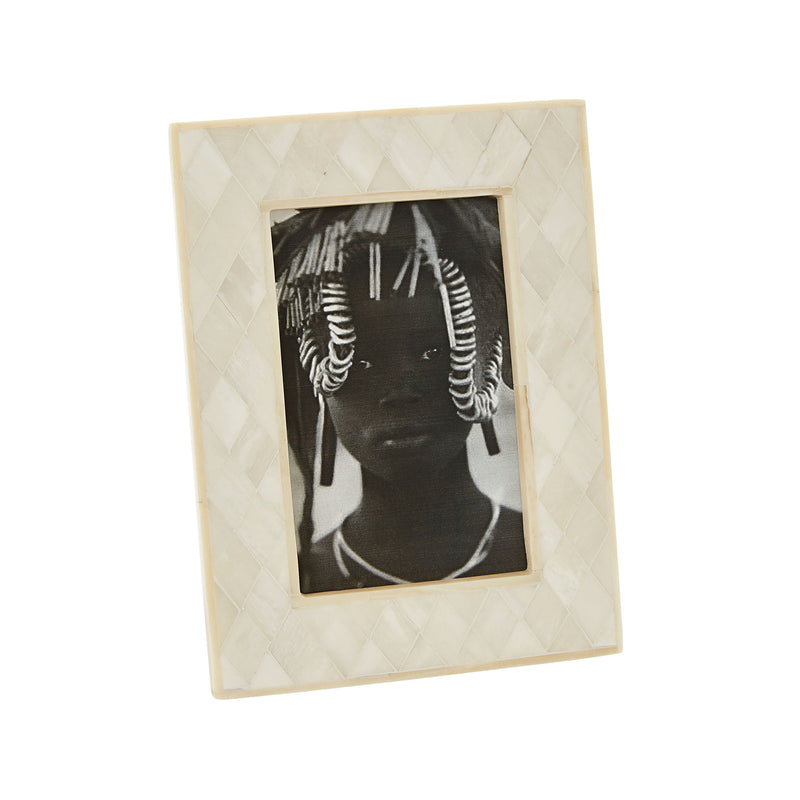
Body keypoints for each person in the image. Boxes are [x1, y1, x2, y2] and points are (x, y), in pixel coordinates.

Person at [271, 198, 527, 593]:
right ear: (318, 379)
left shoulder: (542, 552)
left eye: (434, 353)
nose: (400, 393)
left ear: (482, 363)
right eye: (358, 361)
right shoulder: (302, 584)